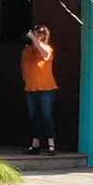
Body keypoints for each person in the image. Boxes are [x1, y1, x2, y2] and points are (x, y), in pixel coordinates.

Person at [20, 24, 61, 154]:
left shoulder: (48, 48)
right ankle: (35, 145)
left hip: (46, 89)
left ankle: (51, 145)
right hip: (31, 89)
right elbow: (23, 66)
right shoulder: (27, 50)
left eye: (42, 33)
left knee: (46, 116)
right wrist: (25, 79)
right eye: (37, 32)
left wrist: (33, 38)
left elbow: (43, 52)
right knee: (33, 117)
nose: (39, 34)